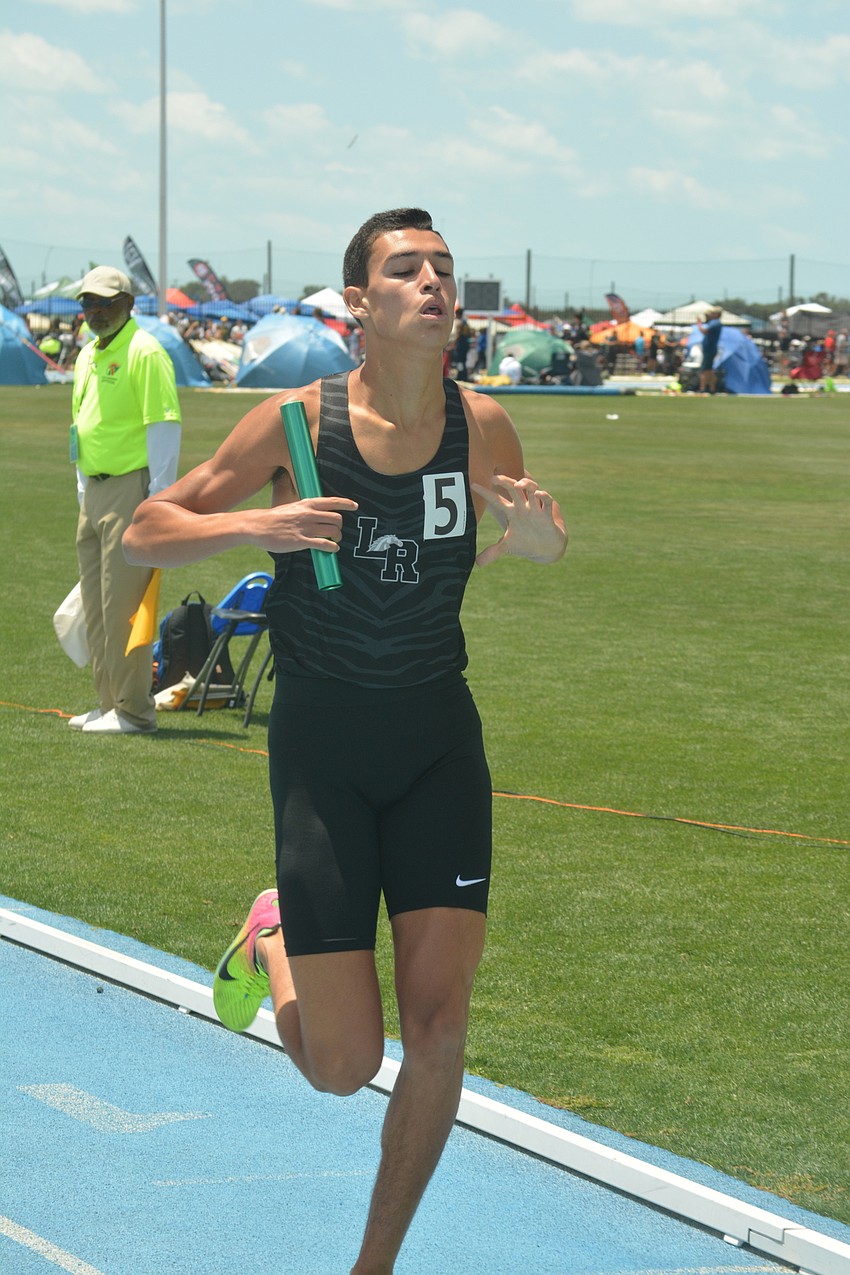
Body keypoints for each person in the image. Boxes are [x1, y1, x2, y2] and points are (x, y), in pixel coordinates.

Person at [124, 207, 566, 1273]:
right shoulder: (291, 424)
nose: (433, 283)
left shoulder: (482, 426)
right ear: (358, 304)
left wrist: (539, 543)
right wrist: (258, 524)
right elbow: (146, 529)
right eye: (405, 269)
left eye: (443, 268)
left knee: (440, 1026)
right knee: (340, 1066)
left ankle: (373, 1265)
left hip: (436, 744)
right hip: (323, 755)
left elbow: (524, 541)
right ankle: (270, 931)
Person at [69, 266, 181, 734]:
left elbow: (164, 425)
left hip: (131, 489)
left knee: (123, 607)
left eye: (105, 302)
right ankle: (108, 702)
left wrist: (159, 499)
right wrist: (82, 484)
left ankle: (134, 710)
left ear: (129, 304)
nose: (95, 311)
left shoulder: (145, 351)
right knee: (96, 607)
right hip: (93, 490)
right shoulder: (87, 354)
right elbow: (80, 425)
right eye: (88, 303)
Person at [697, 308, 723, 393]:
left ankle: (702, 388)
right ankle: (711, 388)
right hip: (710, 349)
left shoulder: (715, 323)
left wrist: (699, 324)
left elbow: (704, 331)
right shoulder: (714, 323)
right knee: (709, 370)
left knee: (704, 369)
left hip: (709, 349)